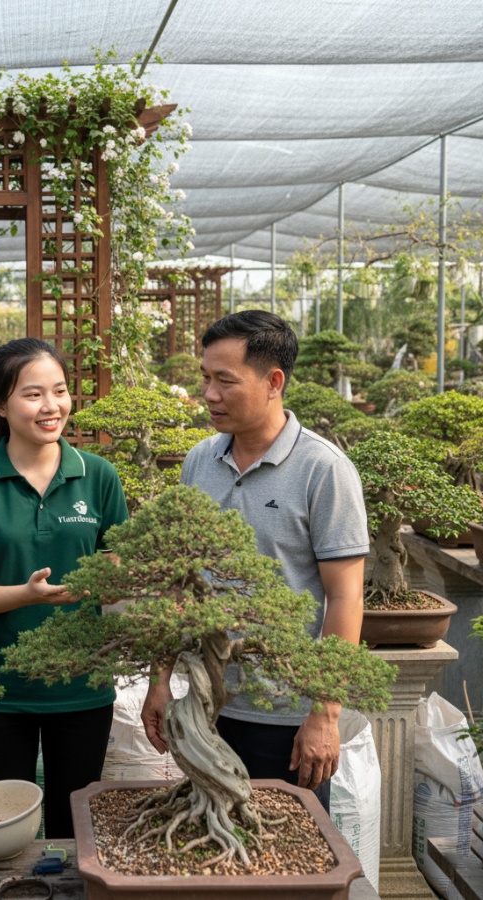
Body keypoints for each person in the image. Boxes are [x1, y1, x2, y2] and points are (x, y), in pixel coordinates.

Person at [141, 310, 369, 810]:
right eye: (205, 378)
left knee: (287, 859)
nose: (209, 394)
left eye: (226, 381)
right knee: (207, 829)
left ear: (274, 382)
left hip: (285, 712)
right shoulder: (200, 461)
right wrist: (161, 680)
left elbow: (345, 596)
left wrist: (324, 713)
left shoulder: (323, 470)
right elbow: (179, 581)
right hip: (207, 702)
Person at [0, 338, 129, 837]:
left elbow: (117, 567)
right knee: (2, 827)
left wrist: (115, 577)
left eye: (60, 391)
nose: (52, 406)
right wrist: (25, 594)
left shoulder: (99, 477)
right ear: (1, 405)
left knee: (75, 825)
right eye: (33, 394)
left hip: (82, 685)